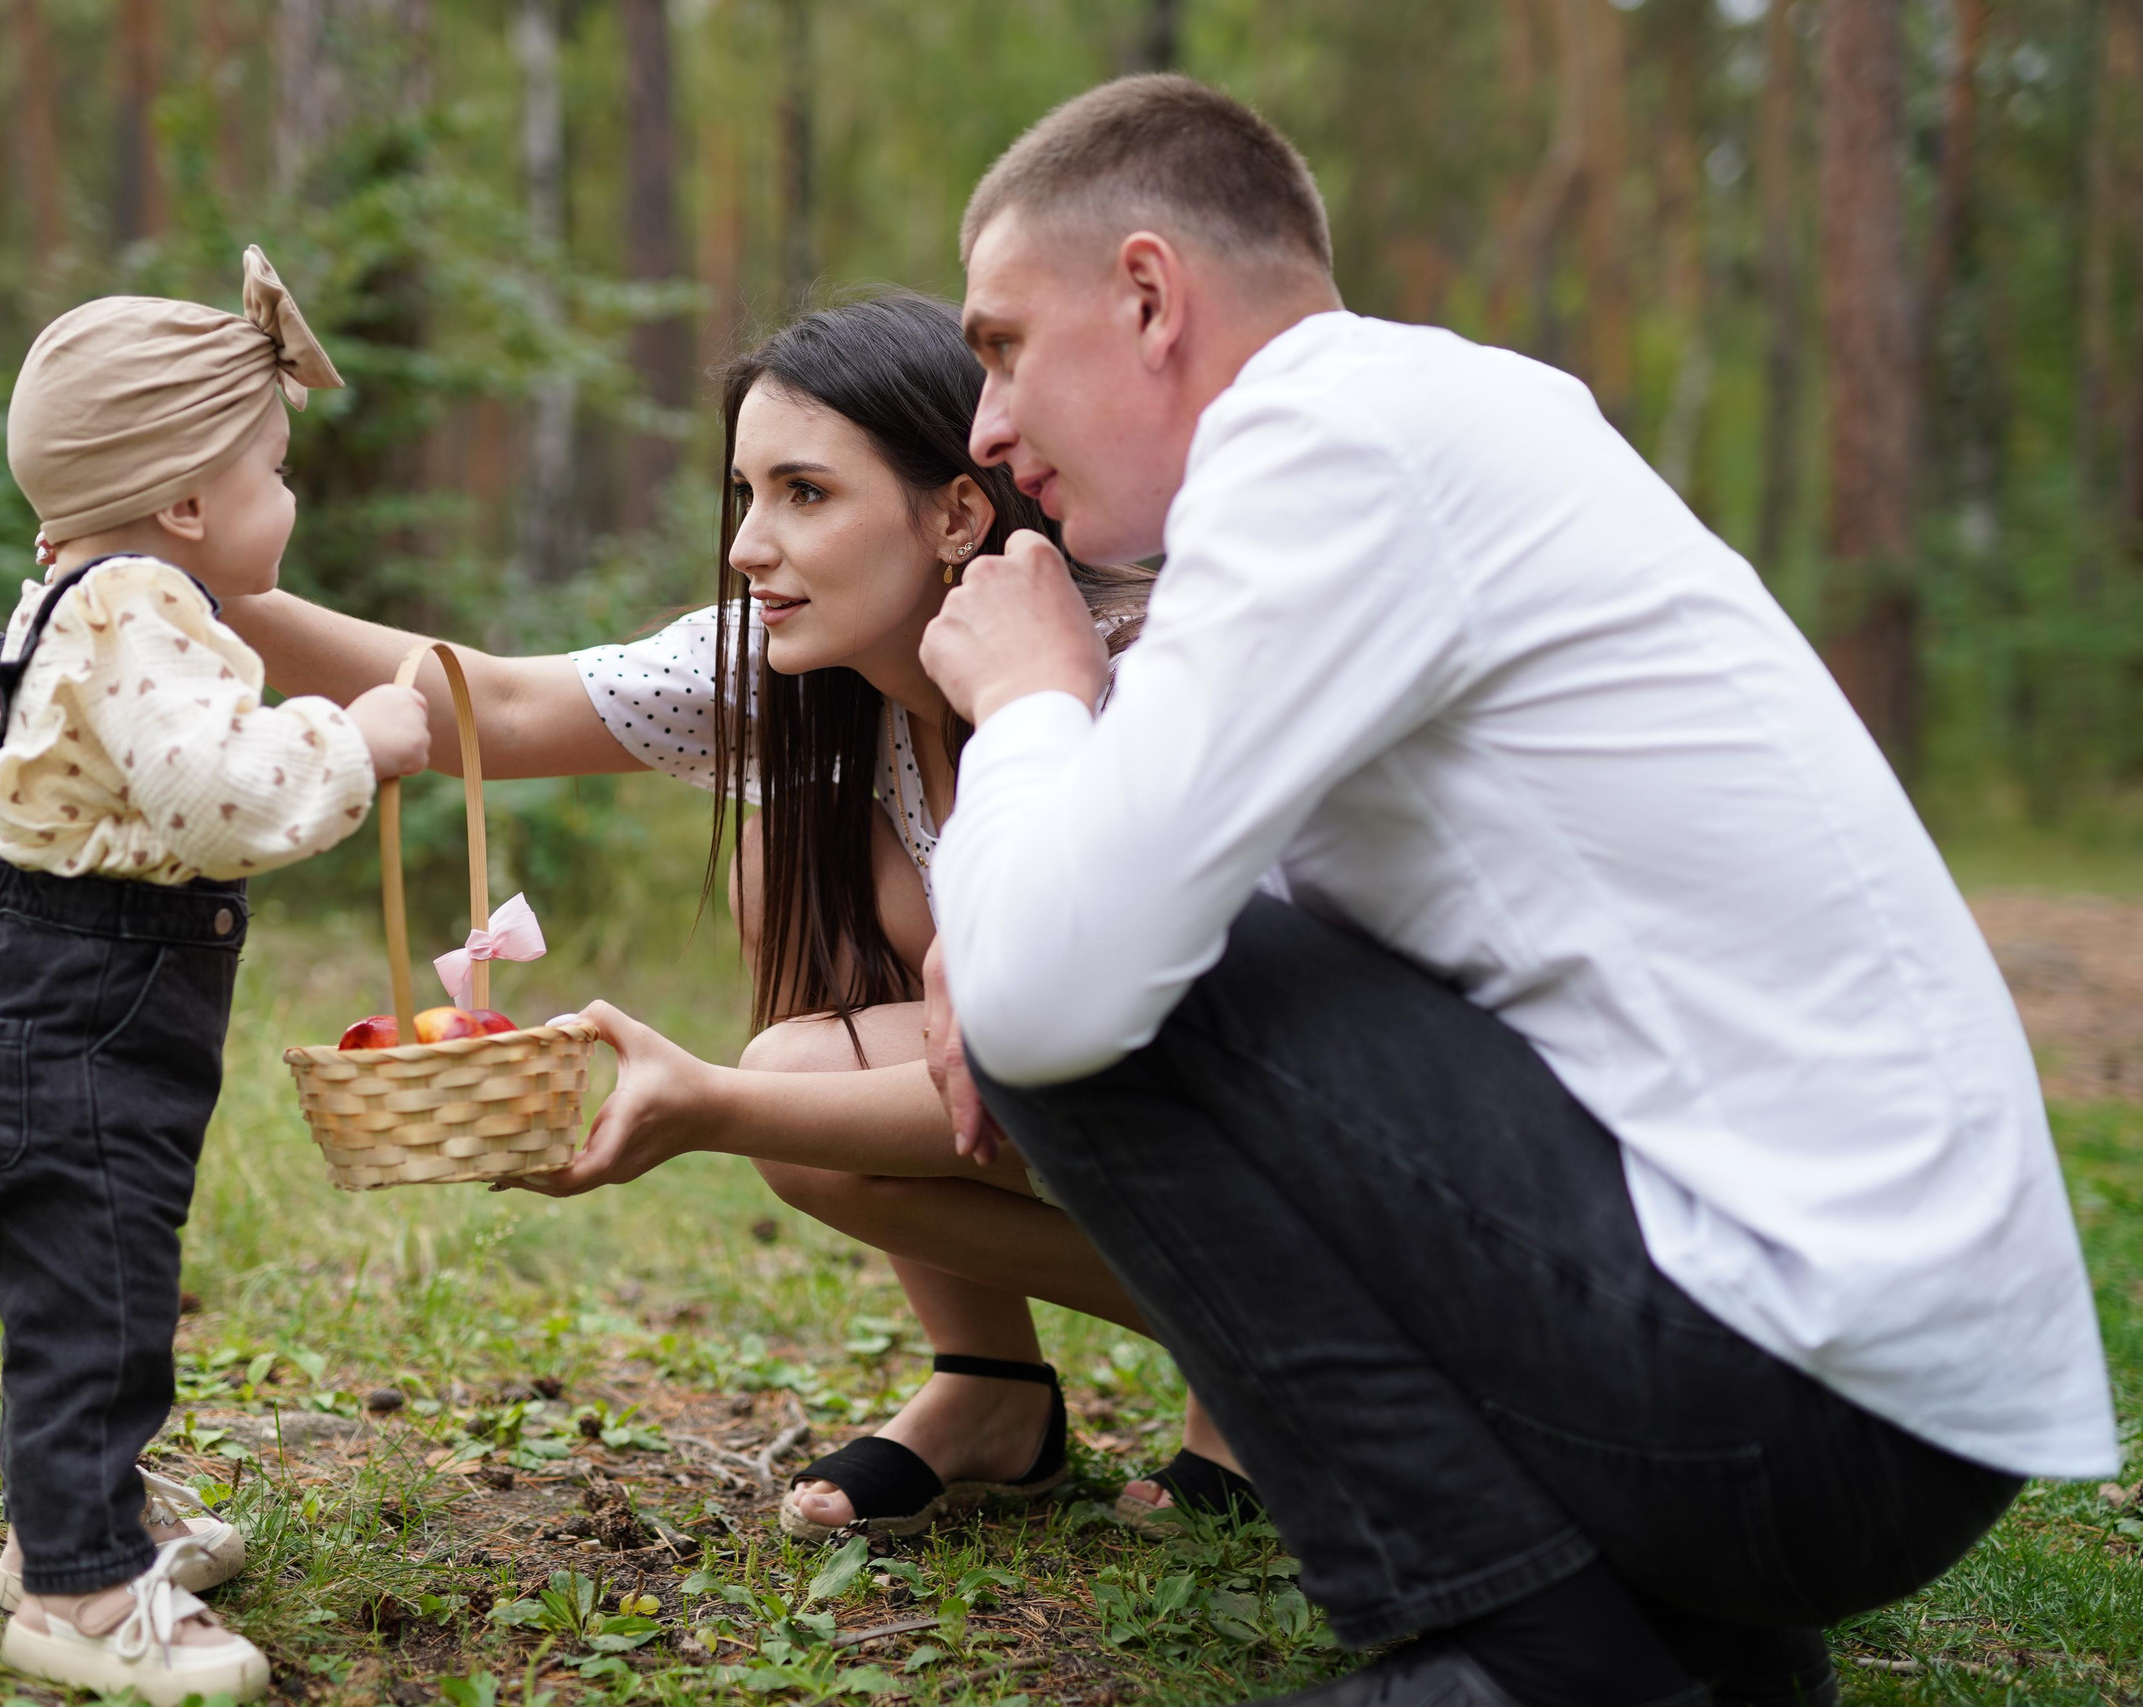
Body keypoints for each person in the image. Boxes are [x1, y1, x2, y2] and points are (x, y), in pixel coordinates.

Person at [914, 75, 2120, 1707]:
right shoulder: (1415, 429)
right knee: (1107, 938)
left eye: (998, 345)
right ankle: (1687, 1664)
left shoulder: (1324, 438)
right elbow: (1159, 897)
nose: (983, 426)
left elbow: (1061, 987)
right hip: (1858, 1395)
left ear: (1147, 295)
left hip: (1806, 1397)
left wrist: (1030, 714)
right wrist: (1027, 870)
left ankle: (1506, 1652)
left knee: (1105, 992)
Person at [222, 292, 1259, 1538]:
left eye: (805, 495)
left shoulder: (1121, 682)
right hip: (1088, 1116)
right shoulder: (802, 668)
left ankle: (1264, 1368)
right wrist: (193, 590)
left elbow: (1111, 1045)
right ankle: (992, 1387)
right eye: (747, 496)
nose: (747, 547)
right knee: (789, 854)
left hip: (1267, 1156)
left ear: (956, 514)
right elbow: (485, 710)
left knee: (786, 1096)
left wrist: (713, 1106)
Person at [0, 248, 432, 1704]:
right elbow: (214, 800)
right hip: (69, 1014)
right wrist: (357, 739)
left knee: (108, 1285)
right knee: (91, 1297)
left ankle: (76, 1526)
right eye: (276, 465)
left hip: (61, 1004)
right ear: (190, 501)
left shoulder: (99, 596)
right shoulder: (139, 600)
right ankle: (79, 1592)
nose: (293, 494)